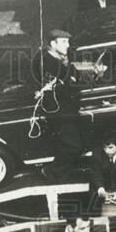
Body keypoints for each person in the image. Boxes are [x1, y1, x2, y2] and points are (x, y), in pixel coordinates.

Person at [30, 28, 84, 182]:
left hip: (64, 108)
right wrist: (72, 81)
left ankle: (60, 172)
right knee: (73, 145)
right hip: (59, 110)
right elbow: (57, 87)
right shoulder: (48, 62)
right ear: (53, 44)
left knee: (68, 143)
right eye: (64, 42)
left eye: (67, 41)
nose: (67, 45)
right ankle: (53, 173)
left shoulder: (56, 57)